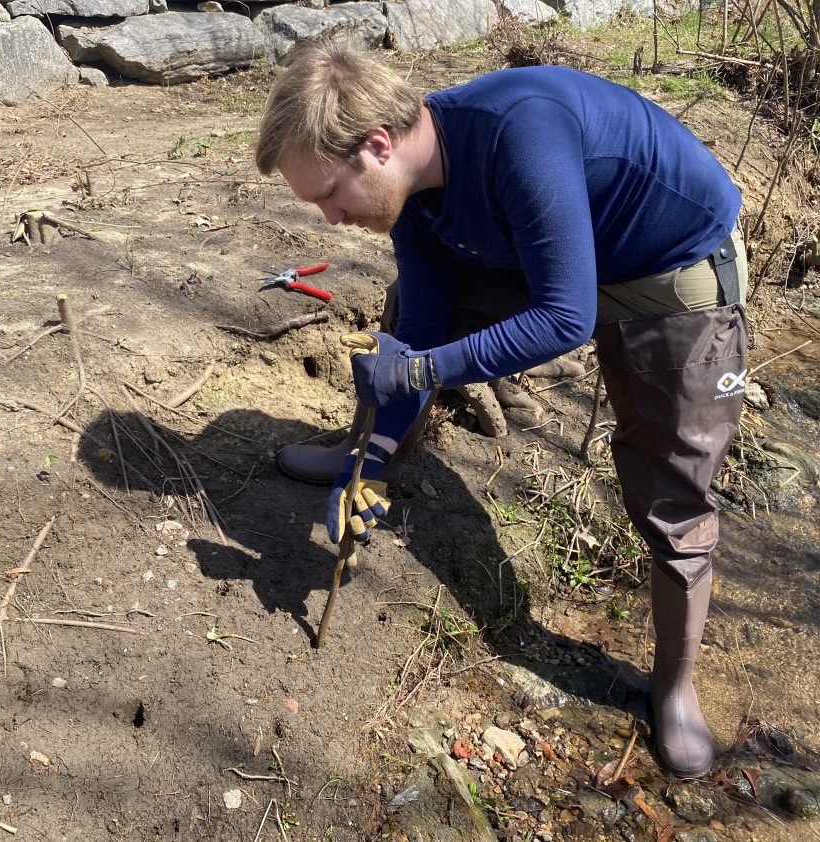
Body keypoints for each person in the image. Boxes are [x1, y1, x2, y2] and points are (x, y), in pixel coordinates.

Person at [254, 37, 748, 780]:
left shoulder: (520, 132)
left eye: (329, 195)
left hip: (670, 278)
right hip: (563, 267)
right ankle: (366, 456)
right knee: (412, 319)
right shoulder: (415, 194)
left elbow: (565, 319)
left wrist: (421, 368)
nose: (329, 219)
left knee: (672, 491)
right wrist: (378, 455)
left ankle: (674, 686)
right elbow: (421, 330)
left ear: (378, 146)